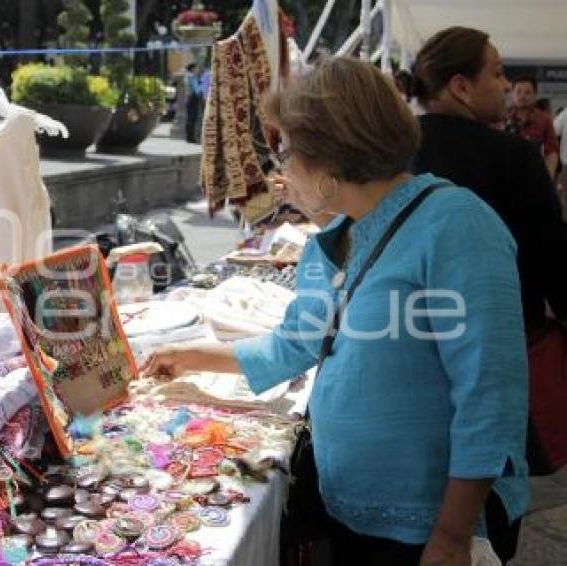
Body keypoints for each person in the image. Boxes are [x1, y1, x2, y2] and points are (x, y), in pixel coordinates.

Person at [144, 57, 528, 565]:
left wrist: (453, 533)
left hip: (433, 527)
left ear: (327, 163)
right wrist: (191, 355)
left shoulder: (456, 225)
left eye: (286, 152)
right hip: (353, 516)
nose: (281, 171)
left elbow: (491, 393)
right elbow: (296, 343)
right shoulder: (335, 239)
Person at [411, 27, 567, 339]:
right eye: (497, 74)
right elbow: (553, 263)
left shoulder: (391, 151)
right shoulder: (514, 157)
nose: (507, 86)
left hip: (410, 331)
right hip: (502, 334)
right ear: (461, 87)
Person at [505, 74, 560, 178]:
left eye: (528, 92)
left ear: (535, 95)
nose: (522, 96)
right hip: (505, 174)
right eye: (518, 91)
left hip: (533, 174)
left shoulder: (544, 120)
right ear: (512, 93)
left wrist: (548, 177)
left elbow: (552, 150)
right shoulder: (501, 117)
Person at [185, 62, 204, 143]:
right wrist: (204, 83)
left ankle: (189, 138)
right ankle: (191, 138)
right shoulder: (192, 76)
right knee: (192, 118)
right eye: (196, 68)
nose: (198, 70)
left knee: (190, 118)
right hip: (193, 98)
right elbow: (197, 90)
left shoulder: (187, 76)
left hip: (189, 98)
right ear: (192, 69)